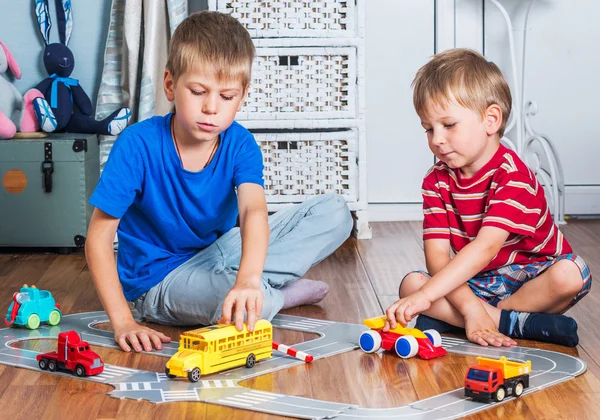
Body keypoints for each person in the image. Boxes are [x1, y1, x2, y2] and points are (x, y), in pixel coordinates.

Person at [85, 11, 352, 353]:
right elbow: (98, 238)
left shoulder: (240, 143)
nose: (212, 108)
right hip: (161, 280)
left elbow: (254, 212)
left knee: (336, 212)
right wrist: (123, 320)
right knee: (243, 306)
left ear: (242, 96)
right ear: (170, 84)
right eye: (198, 91)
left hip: (224, 250)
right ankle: (278, 296)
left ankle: (256, 286)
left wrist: (248, 278)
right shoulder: (137, 145)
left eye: (226, 97)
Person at [384, 49, 591, 348]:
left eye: (448, 125)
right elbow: (438, 257)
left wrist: (435, 301)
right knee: (411, 285)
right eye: (429, 129)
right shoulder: (436, 180)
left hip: (531, 278)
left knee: (570, 274)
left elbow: (486, 247)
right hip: (479, 282)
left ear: (490, 119)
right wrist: (467, 306)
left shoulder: (512, 175)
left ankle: (480, 319)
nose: (436, 139)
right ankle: (514, 324)